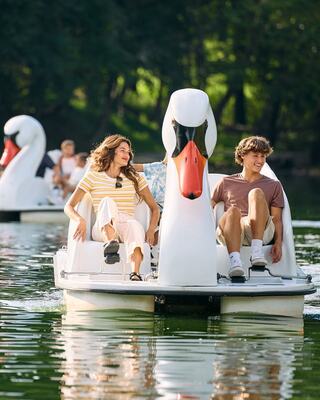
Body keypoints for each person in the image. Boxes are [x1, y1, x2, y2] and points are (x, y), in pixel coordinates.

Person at [64, 134, 160, 282]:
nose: (127, 154)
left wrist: (151, 229)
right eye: (122, 150)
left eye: (128, 152)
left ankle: (135, 273)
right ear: (111, 151)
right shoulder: (93, 176)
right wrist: (80, 220)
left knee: (134, 225)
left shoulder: (135, 177)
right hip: (102, 228)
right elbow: (68, 206)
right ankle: (110, 245)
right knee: (107, 201)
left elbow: (154, 208)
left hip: (126, 225)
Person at [211, 136, 284, 278]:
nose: (261, 161)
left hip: (260, 232)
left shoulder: (274, 185)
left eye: (263, 156)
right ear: (242, 155)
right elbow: (207, 208)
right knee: (233, 211)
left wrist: (279, 244)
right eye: (255, 155)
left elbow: (277, 219)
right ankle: (235, 263)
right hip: (232, 232)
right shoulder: (225, 182)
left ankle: (257, 253)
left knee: (256, 193)